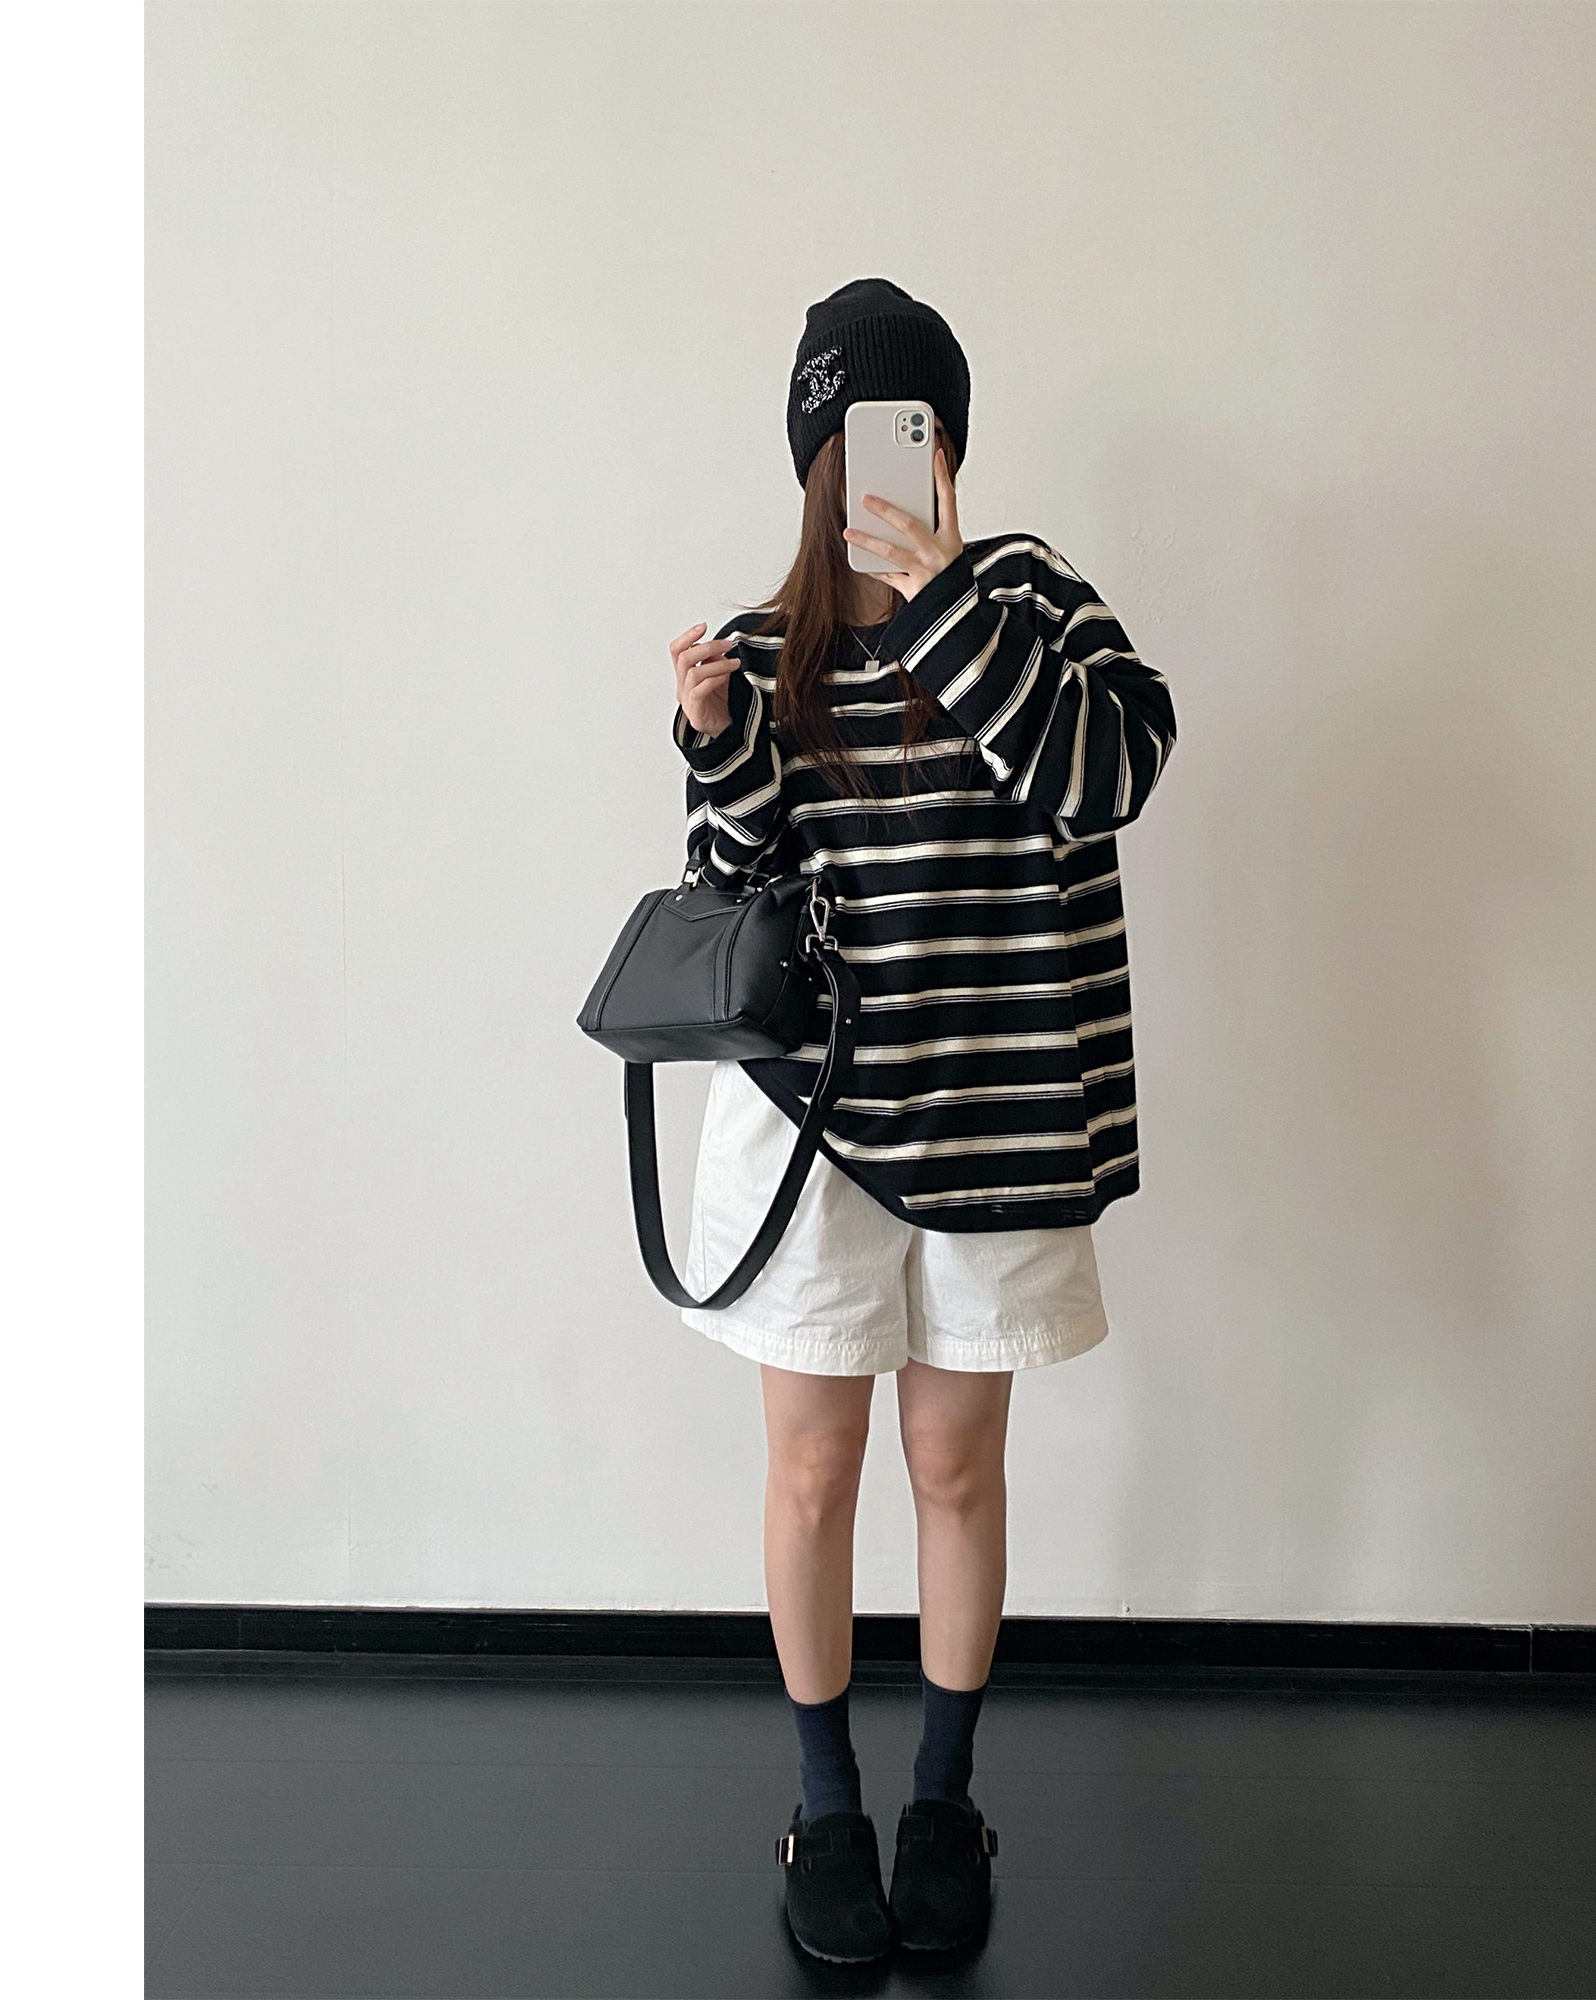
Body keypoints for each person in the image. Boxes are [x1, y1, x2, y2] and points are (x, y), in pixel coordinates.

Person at [665, 278, 1176, 1962]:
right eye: (858, 439)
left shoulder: (1025, 597)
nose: (885, 463)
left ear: (949, 443)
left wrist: (949, 603)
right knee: (814, 1469)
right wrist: (719, 744)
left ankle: (946, 1799)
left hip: (997, 1113)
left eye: (917, 430)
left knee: (955, 1465)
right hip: (814, 1126)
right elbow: (730, 892)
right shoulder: (764, 647)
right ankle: (826, 1805)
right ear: (814, 457)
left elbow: (1110, 774)